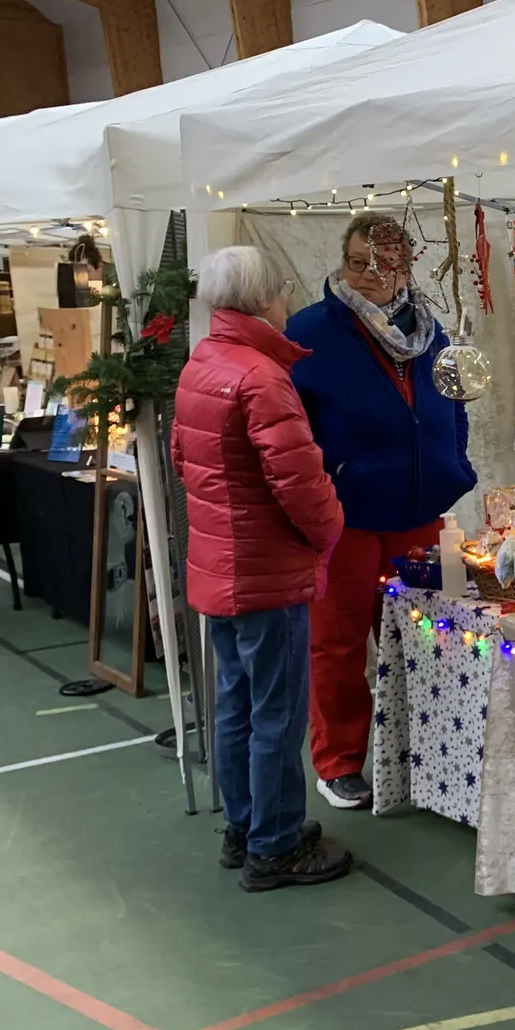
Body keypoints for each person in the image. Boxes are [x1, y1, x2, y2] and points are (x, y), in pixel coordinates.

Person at [172, 246, 353, 891]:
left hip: (219, 565)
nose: (286, 298)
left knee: (237, 704)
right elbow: (300, 485)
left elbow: (183, 461)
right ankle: (275, 846)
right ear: (260, 300)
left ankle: (247, 827)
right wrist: (330, 527)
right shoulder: (261, 376)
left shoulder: (203, 363)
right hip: (266, 572)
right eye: (280, 288)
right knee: (278, 710)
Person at [286, 213, 476, 811]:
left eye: (385, 263)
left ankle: (430, 751)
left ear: (406, 268)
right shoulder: (310, 332)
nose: (370, 275)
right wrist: (333, 479)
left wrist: (453, 458)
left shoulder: (431, 331)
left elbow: (453, 401)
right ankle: (339, 761)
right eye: (358, 262)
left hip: (421, 513)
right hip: (348, 517)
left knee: (430, 637)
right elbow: (292, 426)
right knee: (339, 643)